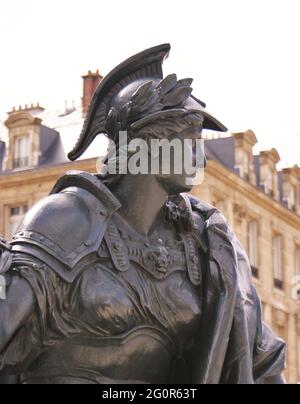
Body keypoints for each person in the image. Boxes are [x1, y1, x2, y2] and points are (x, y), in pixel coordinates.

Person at [0, 44, 285, 384]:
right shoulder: (67, 219)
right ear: (149, 143)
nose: (202, 159)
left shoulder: (206, 241)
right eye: (191, 141)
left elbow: (261, 360)